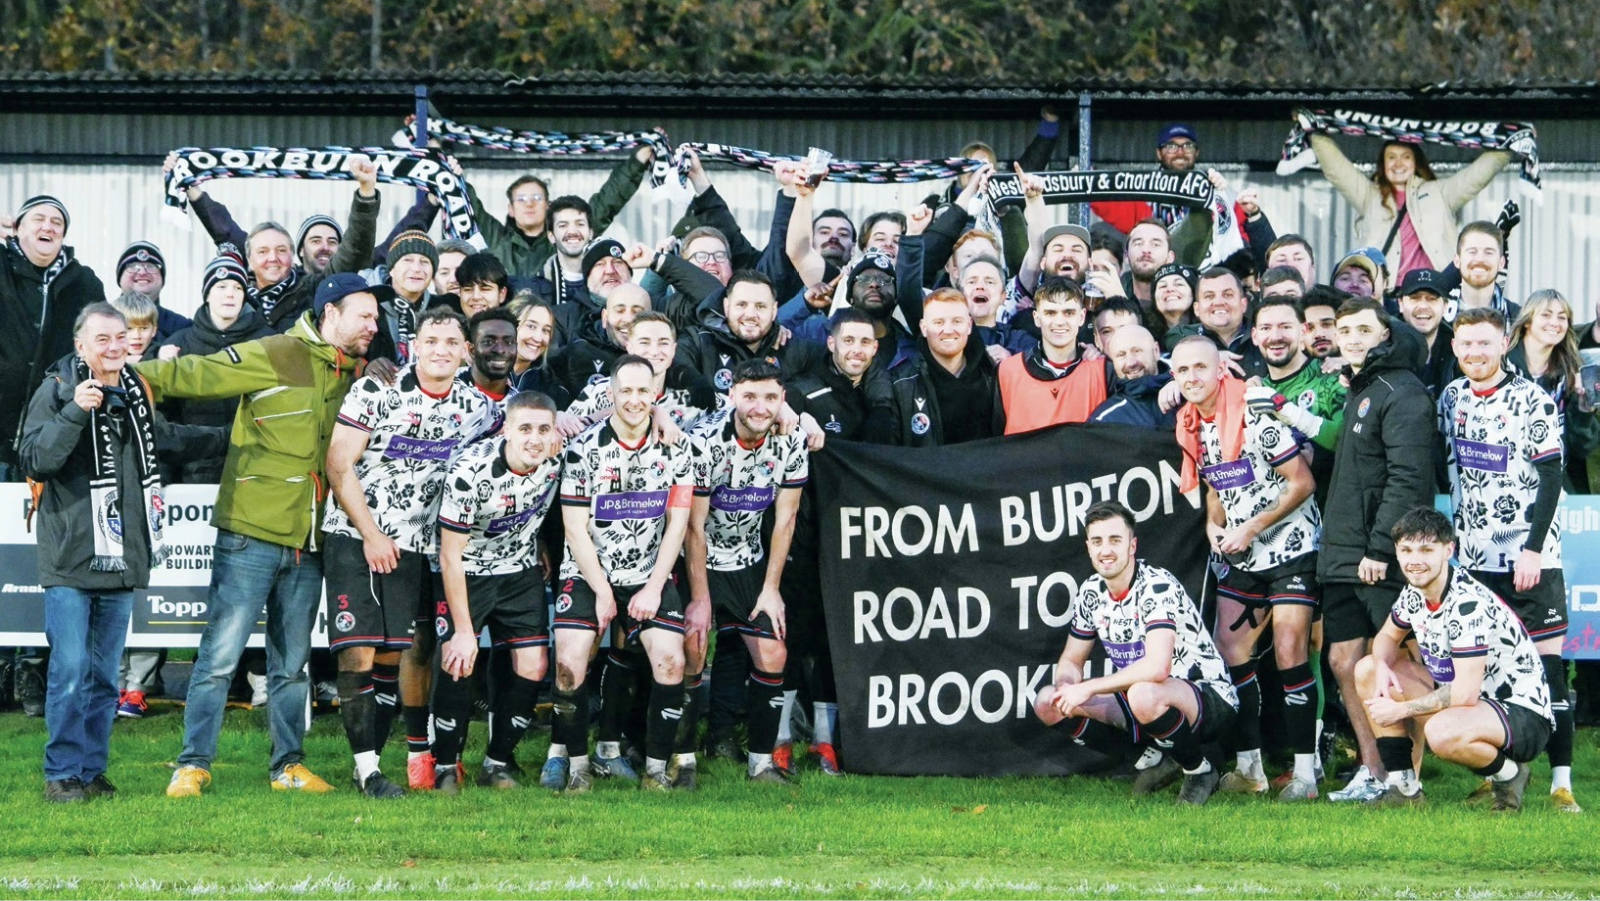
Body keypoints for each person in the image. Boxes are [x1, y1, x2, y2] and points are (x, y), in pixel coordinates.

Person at [137, 273, 379, 798]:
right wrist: (130, 376)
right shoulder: (278, 351)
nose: (373, 325)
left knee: (291, 666)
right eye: (365, 315)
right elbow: (198, 374)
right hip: (249, 532)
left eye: (377, 318)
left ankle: (287, 767)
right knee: (219, 658)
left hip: (309, 542)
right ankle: (192, 765)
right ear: (330, 314)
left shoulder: (361, 375)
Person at [322, 306, 496, 799]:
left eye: (451, 342)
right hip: (357, 535)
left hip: (417, 546)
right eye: (431, 340)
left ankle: (373, 763)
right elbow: (338, 464)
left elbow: (532, 425)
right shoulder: (377, 389)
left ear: (466, 351)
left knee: (393, 656)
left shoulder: (476, 407)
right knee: (357, 651)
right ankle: (367, 772)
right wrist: (372, 534)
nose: (440, 350)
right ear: (414, 345)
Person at [19, 304, 178, 802]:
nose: (115, 347)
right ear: (80, 345)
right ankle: (60, 774)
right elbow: (34, 458)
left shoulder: (134, 392)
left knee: (105, 679)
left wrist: (235, 438)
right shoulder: (58, 389)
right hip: (69, 560)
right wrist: (75, 411)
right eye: (102, 339)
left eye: (121, 337)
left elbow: (167, 442)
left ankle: (90, 771)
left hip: (121, 560)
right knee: (69, 672)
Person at [1438, 306, 1579, 813]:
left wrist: (1534, 550)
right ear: (1455, 348)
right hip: (1475, 562)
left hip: (1531, 559)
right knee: (1488, 672)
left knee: (1548, 671)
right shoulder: (1451, 397)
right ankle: (1501, 775)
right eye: (1466, 344)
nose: (1474, 352)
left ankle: (1562, 784)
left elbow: (1550, 479)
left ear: (1504, 345)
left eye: (1484, 343)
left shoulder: (1531, 400)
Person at [1170, 336, 1321, 801]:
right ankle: (1250, 768)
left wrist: (1252, 528)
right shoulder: (1193, 423)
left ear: (1220, 371)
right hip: (1241, 554)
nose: (1192, 377)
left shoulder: (1255, 415)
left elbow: (1303, 482)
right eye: (1182, 371)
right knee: (1228, 649)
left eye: (1200, 368)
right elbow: (1216, 487)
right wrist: (1215, 527)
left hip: (1291, 548)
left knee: (1290, 648)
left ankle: (1305, 776)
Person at [545, 355, 695, 793]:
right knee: (570, 665)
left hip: (648, 572)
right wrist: (602, 591)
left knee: (672, 661)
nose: (633, 399)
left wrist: (652, 587)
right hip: (588, 571)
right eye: (624, 391)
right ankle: (577, 769)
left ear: (654, 395)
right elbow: (573, 526)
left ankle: (655, 771)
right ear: (610, 394)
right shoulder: (584, 448)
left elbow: (678, 524)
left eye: (641, 391)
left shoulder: (676, 447)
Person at [1033, 500, 1237, 805]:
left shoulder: (1156, 586)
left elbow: (1157, 668)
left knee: (1143, 692)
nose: (1106, 550)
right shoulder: (1090, 591)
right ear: (1088, 547)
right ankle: (1152, 760)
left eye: (1115, 540)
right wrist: (1067, 686)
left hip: (1208, 698)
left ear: (1132, 545)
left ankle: (1199, 770)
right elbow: (1072, 659)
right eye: (1098, 541)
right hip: (1144, 699)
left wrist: (1085, 688)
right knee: (1047, 702)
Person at [1354, 508, 1553, 810]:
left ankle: (1511, 774)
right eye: (1406, 550)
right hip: (1471, 704)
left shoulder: (1467, 604)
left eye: (1426, 549)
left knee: (1441, 732)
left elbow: (1464, 692)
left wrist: (1399, 710)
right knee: (1367, 669)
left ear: (1448, 550)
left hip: (1522, 712)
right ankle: (1404, 789)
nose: (1414, 560)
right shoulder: (1415, 591)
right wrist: (1382, 666)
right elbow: (1386, 637)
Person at [1316, 298, 1435, 803]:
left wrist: (1381, 549)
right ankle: (1372, 771)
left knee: (1396, 664)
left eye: (1365, 329)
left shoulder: (1402, 392)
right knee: (1344, 660)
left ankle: (1406, 776)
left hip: (1377, 556)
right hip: (1342, 553)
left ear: (1386, 335)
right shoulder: (1360, 388)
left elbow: (1408, 479)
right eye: (1345, 330)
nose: (1354, 338)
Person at [432, 392, 565, 793]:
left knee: (535, 666)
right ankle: (445, 766)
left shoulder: (556, 457)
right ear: (506, 429)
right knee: (459, 660)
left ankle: (497, 763)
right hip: (466, 571)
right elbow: (449, 555)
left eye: (544, 429)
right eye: (524, 428)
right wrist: (463, 630)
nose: (534, 439)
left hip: (520, 570)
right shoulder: (470, 471)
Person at [685, 360, 809, 785]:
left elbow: (786, 519)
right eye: (751, 396)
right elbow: (692, 526)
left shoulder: (790, 441)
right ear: (733, 394)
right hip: (698, 560)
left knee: (773, 652)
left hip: (748, 560)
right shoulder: (704, 441)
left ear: (783, 400)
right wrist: (700, 600)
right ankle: (680, 760)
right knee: (692, 650)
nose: (760, 407)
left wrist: (771, 589)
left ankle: (761, 763)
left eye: (771, 397)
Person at [167, 154, 381, 333]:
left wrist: (366, 192)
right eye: (263, 251)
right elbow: (224, 230)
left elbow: (354, 250)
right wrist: (189, 186)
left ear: (293, 255)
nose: (273, 258)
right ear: (248, 260)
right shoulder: (234, 295)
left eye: (281, 250)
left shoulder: (314, 289)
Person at [1306, 131, 1511, 284]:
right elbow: (1337, 170)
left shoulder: (1439, 192)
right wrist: (1314, 133)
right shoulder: (1370, 196)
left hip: (1434, 292)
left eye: (1405, 156)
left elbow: (1475, 177)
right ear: (1383, 164)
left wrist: (1511, 143)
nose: (1398, 163)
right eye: (1391, 157)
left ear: (1415, 162)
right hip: (1389, 296)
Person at [1, 196, 104, 481]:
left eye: (57, 222)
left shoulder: (85, 283)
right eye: (39, 219)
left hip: (52, 438)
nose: (48, 226)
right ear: (17, 228)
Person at [462, 142, 655, 280]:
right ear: (511, 209)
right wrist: (445, 167)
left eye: (537, 198)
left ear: (548, 205)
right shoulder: (498, 240)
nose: (529, 204)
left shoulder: (565, 237)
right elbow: (468, 203)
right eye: (521, 199)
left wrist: (637, 162)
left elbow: (606, 203)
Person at [1247, 297, 1347, 504]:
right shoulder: (1251, 391)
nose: (1275, 337)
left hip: (1328, 516)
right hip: (1270, 524)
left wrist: (1316, 458)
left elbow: (1347, 442)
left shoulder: (1332, 377)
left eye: (1285, 327)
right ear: (1255, 336)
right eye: (1266, 328)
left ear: (1303, 331)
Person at [1509, 289, 1600, 492]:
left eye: (1562, 317)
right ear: (1527, 321)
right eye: (1546, 314)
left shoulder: (1571, 371)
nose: (1555, 322)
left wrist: (1584, 413)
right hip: (1506, 481)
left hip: (1554, 482)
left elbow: (1582, 447)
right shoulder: (1501, 367)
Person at [889, 288, 999, 445]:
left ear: (969, 326)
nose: (948, 330)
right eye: (938, 322)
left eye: (957, 321)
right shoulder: (901, 385)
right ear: (924, 328)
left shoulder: (994, 376)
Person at [996, 278, 1108, 433]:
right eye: (1050, 313)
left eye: (1068, 313)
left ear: (1081, 317)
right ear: (1036, 318)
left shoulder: (1103, 370)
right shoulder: (1007, 371)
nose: (1059, 321)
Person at [1090, 326, 1174, 429]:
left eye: (1137, 351)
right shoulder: (1103, 420)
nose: (1131, 363)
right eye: (1121, 355)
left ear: (1156, 351)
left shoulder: (1187, 393)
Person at [1394, 269, 1460, 398]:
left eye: (1432, 299)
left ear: (1445, 306)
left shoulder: (1459, 350)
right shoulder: (1383, 346)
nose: (1423, 306)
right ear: (1400, 304)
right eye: (1414, 298)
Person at [1444, 221, 1521, 325]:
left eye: (1489, 252)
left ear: (1501, 263)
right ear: (1457, 261)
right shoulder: (1438, 317)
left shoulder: (1518, 320)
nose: (1480, 259)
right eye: (1472, 252)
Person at [114, 241, 190, 341]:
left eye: (151, 266)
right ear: (119, 278)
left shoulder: (182, 327)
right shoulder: (101, 321)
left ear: (162, 279)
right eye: (133, 266)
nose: (142, 272)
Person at [455, 252, 509, 319]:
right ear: (459, 292)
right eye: (468, 289)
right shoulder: (446, 327)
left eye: (485, 289)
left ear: (502, 294)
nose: (476, 297)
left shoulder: (519, 327)